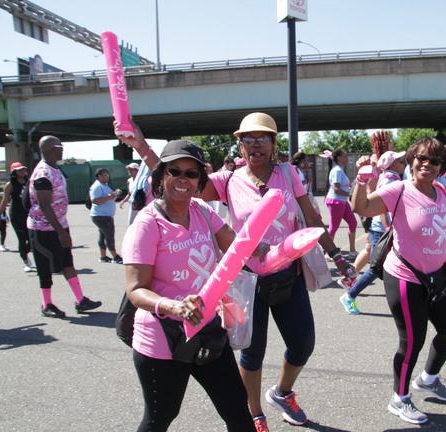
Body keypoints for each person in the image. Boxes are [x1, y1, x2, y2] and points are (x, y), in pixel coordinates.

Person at [199, 112, 356, 431]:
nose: (256, 144)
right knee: (251, 353)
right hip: (246, 282)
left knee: (302, 345)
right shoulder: (225, 180)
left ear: (273, 144)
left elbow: (312, 218)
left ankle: (282, 393)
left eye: (264, 138)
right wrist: (144, 149)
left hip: (288, 275)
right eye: (248, 139)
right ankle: (255, 412)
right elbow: (180, 182)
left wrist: (337, 255)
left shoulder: (288, 173)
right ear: (239, 145)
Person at [351, 137, 446, 425]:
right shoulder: (399, 191)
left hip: (436, 277)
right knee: (412, 341)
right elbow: (362, 208)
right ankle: (399, 398)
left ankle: (428, 379)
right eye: (421, 159)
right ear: (413, 160)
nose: (427, 165)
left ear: (442, 166)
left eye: (434, 160)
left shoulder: (440, 191)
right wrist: (362, 178)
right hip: (404, 276)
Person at [122, 139, 259, 432]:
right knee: (160, 418)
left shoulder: (202, 212)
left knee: (237, 410)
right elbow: (135, 289)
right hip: (163, 339)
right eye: (175, 171)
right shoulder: (148, 224)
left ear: (200, 180)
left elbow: (238, 250)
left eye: (192, 173)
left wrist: (281, 248)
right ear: (161, 176)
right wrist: (174, 306)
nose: (183, 179)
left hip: (209, 330)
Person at [27, 136, 102, 318]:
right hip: (42, 229)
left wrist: (62, 229)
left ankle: (80, 300)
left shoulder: (54, 169)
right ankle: (47, 304)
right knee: (45, 268)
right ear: (52, 148)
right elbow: (44, 204)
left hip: (59, 226)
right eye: (60, 147)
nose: (62, 150)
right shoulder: (43, 173)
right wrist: (60, 232)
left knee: (67, 262)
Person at [340, 150, 405, 315]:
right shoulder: (389, 181)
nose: (404, 163)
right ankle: (349, 295)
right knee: (378, 268)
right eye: (401, 161)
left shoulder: (392, 179)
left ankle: (407, 301)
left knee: (392, 265)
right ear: (392, 165)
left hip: (383, 229)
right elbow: (383, 210)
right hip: (382, 230)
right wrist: (390, 229)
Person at [0, 162, 34, 272]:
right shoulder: (10, 185)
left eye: (23, 169)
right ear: (14, 172)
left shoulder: (29, 182)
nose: (22, 171)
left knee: (32, 238)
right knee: (22, 239)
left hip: (29, 213)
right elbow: (4, 202)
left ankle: (24, 254)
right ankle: (26, 262)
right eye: (19, 169)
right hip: (16, 215)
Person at [323, 149, 358, 260]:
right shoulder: (337, 170)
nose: (346, 157)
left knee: (353, 222)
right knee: (333, 228)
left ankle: (352, 251)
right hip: (335, 202)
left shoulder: (340, 170)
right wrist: (351, 194)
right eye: (344, 156)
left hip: (341, 201)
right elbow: (336, 189)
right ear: (338, 158)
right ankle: (328, 254)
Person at [90, 168, 123, 264]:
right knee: (109, 235)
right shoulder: (97, 186)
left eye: (107, 175)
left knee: (103, 235)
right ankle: (115, 256)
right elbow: (95, 200)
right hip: (101, 215)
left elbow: (110, 197)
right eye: (105, 175)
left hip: (105, 215)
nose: (107, 177)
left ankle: (103, 256)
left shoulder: (105, 185)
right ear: (99, 176)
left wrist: (115, 193)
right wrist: (108, 197)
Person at [290, 152, 321, 219]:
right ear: (301, 161)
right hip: (299, 202)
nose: (308, 162)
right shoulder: (295, 169)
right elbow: (296, 185)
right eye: (307, 160)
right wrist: (307, 180)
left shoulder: (299, 171)